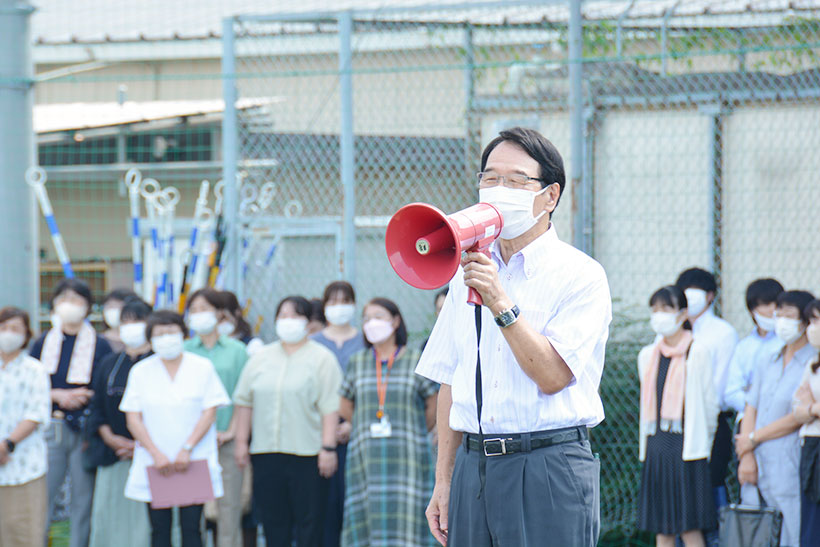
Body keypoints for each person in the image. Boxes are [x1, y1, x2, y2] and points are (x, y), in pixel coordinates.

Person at [417, 127, 611, 547]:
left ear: (550, 196)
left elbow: (553, 376)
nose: (499, 190)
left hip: (547, 465)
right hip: (474, 466)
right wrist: (444, 480)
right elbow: (452, 378)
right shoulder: (466, 272)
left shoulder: (580, 275)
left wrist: (499, 300)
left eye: (516, 180)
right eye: (490, 178)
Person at [233, 296, 342, 547]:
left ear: (308, 322)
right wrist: (241, 443)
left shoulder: (322, 358)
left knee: (310, 524)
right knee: (273, 523)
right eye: (283, 315)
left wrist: (328, 448)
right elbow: (244, 401)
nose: (289, 321)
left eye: (296, 316)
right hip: (266, 453)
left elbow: (330, 406)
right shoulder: (260, 358)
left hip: (308, 454)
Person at [120, 310, 230, 547]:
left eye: (171, 332)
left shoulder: (201, 367)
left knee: (192, 529)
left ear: (183, 334)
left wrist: (187, 448)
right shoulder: (141, 371)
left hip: (193, 459)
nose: (166, 338)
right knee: (160, 530)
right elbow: (133, 418)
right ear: (150, 340)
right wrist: (156, 453)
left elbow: (209, 412)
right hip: (156, 462)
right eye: (159, 334)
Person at [340, 297, 438, 546]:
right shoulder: (357, 362)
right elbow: (345, 404)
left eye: (378, 317)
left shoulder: (416, 359)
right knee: (366, 513)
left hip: (409, 455)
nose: (371, 323)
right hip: (366, 456)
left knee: (410, 515)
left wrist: (414, 429)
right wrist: (363, 426)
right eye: (366, 318)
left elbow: (434, 404)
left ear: (395, 321)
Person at [29, 278, 113, 547]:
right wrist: (57, 395)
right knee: (43, 495)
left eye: (76, 300)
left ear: (88, 306)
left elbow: (104, 386)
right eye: (64, 299)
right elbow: (31, 385)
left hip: (85, 428)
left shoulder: (100, 344)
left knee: (83, 497)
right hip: (50, 427)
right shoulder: (43, 343)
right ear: (54, 305)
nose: (70, 305)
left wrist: (84, 396)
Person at [637, 286, 718, 547]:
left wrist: (704, 445)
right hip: (656, 447)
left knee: (689, 527)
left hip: (688, 449)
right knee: (662, 529)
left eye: (666, 308)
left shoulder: (697, 352)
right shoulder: (647, 355)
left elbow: (709, 405)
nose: (659, 315)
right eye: (655, 309)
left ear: (683, 314)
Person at [735, 290, 817, 546]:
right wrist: (747, 453)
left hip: (788, 459)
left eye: (789, 316)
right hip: (755, 456)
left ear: (804, 322)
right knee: (755, 532)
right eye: (778, 315)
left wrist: (753, 438)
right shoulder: (767, 358)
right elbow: (751, 406)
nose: (781, 321)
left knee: (792, 531)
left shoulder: (812, 363)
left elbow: (797, 415)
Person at [184, 288, 249, 547]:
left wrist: (232, 431)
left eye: (205, 309)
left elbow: (243, 396)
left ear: (219, 312)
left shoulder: (237, 350)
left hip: (227, 438)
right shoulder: (184, 350)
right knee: (192, 512)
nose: (199, 315)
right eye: (194, 310)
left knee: (229, 509)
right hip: (192, 442)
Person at [87, 297, 153, 547]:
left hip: (153, 455)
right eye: (126, 321)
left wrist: (141, 445)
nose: (131, 327)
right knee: (111, 518)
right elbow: (97, 407)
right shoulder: (109, 363)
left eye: (138, 321)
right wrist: (110, 438)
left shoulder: (158, 362)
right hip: (113, 453)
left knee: (150, 523)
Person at [674, 267, 738, 508]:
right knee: (677, 488)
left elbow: (720, 383)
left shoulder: (723, 333)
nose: (690, 296)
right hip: (674, 421)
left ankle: (715, 529)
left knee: (709, 483)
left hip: (710, 419)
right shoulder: (671, 330)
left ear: (710, 295)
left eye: (697, 290)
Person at [310, 281, 365, 547]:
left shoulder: (365, 340)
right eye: (332, 301)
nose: (339, 307)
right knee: (323, 506)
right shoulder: (313, 343)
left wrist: (353, 423)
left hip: (358, 429)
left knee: (352, 501)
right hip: (319, 434)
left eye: (345, 301)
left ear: (353, 305)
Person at [0, 307, 51, 546]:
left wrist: (7, 445)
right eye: (3, 328)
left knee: (24, 532)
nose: (8, 333)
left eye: (15, 328)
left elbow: (36, 413)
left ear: (26, 334)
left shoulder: (35, 370)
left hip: (24, 464)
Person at [724, 279, 785, 415]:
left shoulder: (787, 342)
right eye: (766, 304)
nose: (773, 310)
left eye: (777, 304)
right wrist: (755, 406)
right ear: (752, 310)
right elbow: (731, 392)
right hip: (747, 416)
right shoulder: (744, 347)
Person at [791, 299, 820, 546]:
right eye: (811, 321)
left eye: (817, 320)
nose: (812, 327)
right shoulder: (813, 364)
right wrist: (812, 408)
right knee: (811, 527)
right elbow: (797, 409)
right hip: (811, 447)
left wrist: (810, 407)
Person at [219, 291, 264, 356]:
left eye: (223, 317)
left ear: (237, 313)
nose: (220, 323)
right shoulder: (211, 346)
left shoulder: (252, 345)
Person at [101, 288, 139, 352]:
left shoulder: (139, 340)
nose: (113, 310)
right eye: (109, 306)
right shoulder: (98, 341)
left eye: (118, 306)